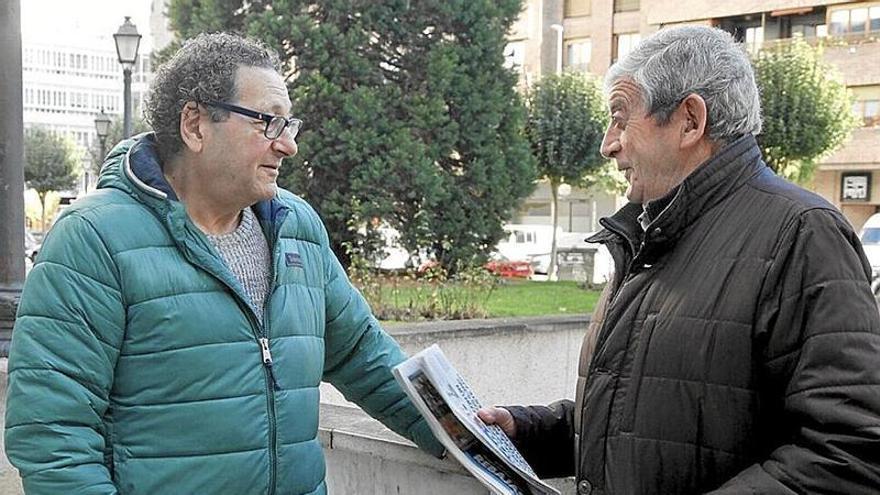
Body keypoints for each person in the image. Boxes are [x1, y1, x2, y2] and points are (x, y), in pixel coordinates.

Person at [4, 32, 443, 494]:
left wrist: (469, 433)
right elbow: (52, 437)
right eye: (267, 123)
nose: (287, 145)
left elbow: (363, 356)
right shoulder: (93, 238)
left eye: (289, 126)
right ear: (195, 125)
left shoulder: (296, 227)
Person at [479, 26, 880, 494]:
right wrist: (526, 433)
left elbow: (847, 453)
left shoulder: (803, 233)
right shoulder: (652, 233)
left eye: (620, 119)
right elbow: (647, 424)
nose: (608, 144)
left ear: (690, 121)